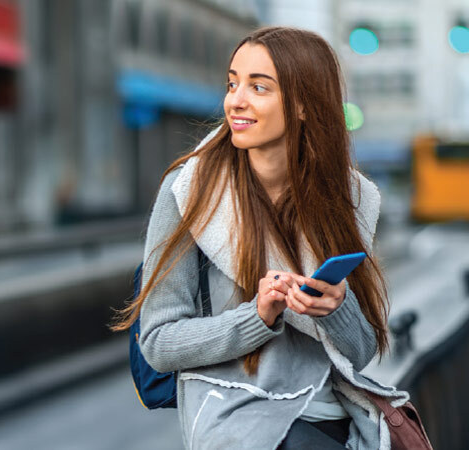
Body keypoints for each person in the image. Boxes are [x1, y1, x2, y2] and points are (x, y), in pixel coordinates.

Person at [110, 27, 409, 449]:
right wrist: (257, 318)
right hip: (239, 418)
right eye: (233, 83)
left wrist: (335, 308)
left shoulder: (345, 198)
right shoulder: (191, 192)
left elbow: (360, 353)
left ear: (304, 105)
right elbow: (158, 343)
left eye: (258, 87)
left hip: (332, 418)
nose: (236, 100)